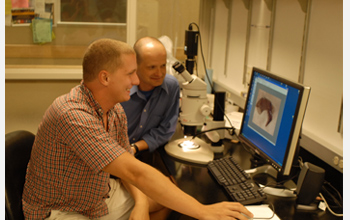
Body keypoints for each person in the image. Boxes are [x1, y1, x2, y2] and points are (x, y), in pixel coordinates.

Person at [22, 38, 253, 220]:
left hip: (95, 197)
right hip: (59, 211)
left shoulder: (114, 111)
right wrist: (205, 212)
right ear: (105, 78)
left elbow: (128, 169)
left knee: (166, 197)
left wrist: (141, 205)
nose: (135, 81)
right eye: (130, 73)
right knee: (180, 204)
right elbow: (135, 172)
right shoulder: (72, 115)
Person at [121, 37, 180, 165]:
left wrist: (135, 148)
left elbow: (165, 129)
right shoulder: (120, 88)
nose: (159, 73)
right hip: (114, 157)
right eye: (152, 67)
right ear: (135, 65)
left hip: (144, 155)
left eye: (163, 65)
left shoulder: (171, 87)